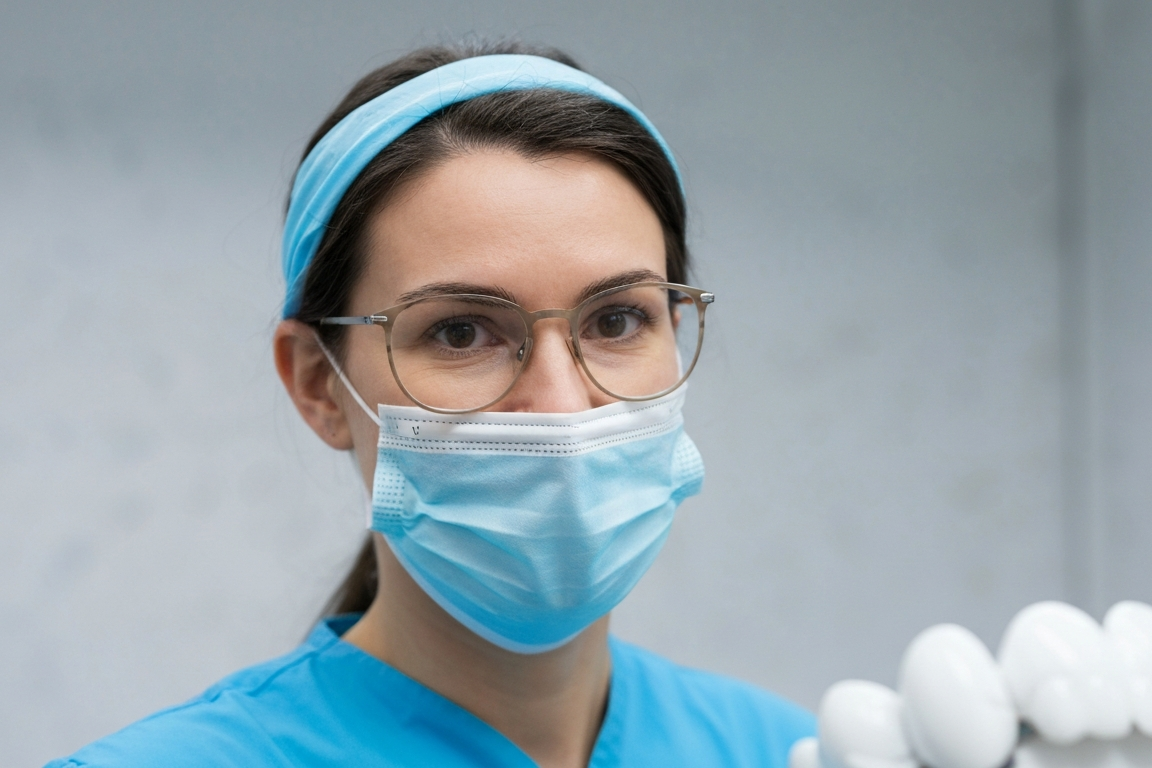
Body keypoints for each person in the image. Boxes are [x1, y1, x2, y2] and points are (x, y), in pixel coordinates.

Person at [47, 40, 814, 768]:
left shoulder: (791, 752)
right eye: (461, 332)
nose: (559, 405)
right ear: (317, 383)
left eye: (617, 321)